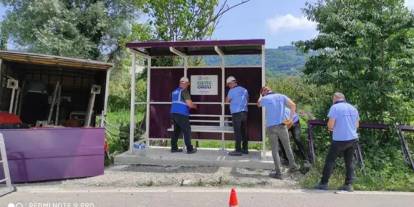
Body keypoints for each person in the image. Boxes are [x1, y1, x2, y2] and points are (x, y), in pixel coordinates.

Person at [315, 92, 359, 192]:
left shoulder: (335, 107)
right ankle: (348, 185)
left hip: (339, 139)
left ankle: (323, 183)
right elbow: (357, 125)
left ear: (335, 98)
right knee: (349, 162)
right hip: (353, 139)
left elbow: (330, 125)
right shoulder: (353, 108)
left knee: (330, 160)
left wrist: (332, 128)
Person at [257, 86, 299, 179]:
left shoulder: (265, 98)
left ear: (264, 92)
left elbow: (258, 104)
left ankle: (278, 173)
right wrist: (291, 119)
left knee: (274, 150)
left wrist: (260, 96)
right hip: (282, 126)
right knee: (287, 147)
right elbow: (293, 105)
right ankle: (293, 166)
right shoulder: (281, 96)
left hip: (271, 127)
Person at [170, 77, 197, 154]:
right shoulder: (184, 91)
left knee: (176, 131)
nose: (188, 85)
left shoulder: (174, 91)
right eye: (187, 84)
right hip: (181, 114)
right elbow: (189, 104)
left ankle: (174, 148)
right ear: (184, 83)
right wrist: (195, 106)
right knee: (187, 130)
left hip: (173, 113)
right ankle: (190, 149)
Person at [225, 76, 249, 156]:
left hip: (236, 113)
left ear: (232, 83)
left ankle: (238, 150)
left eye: (228, 84)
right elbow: (247, 99)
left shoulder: (231, 91)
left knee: (237, 132)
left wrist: (229, 99)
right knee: (243, 131)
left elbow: (227, 101)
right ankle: (245, 149)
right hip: (244, 113)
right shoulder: (244, 90)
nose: (228, 86)